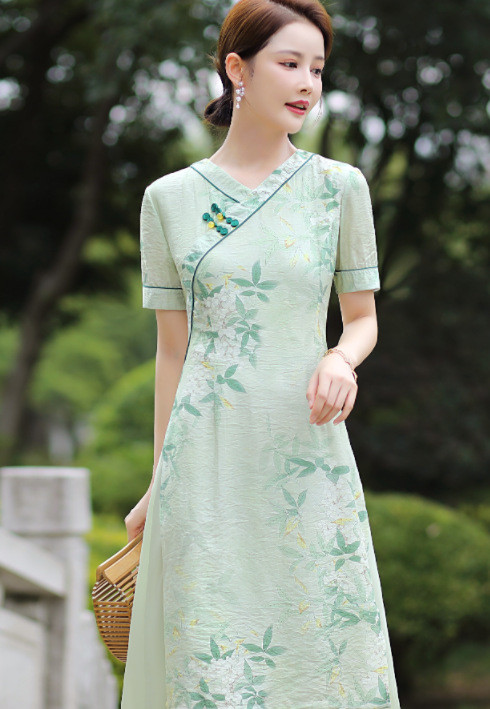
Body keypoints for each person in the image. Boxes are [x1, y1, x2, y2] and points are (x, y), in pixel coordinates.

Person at [121, 0, 401, 706]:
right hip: (205, 459)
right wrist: (159, 480)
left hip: (305, 452)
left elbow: (362, 320)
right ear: (237, 69)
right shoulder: (168, 200)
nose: (308, 82)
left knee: (321, 647)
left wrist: (340, 358)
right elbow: (172, 353)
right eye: (290, 63)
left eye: (318, 68)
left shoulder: (339, 188)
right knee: (213, 657)